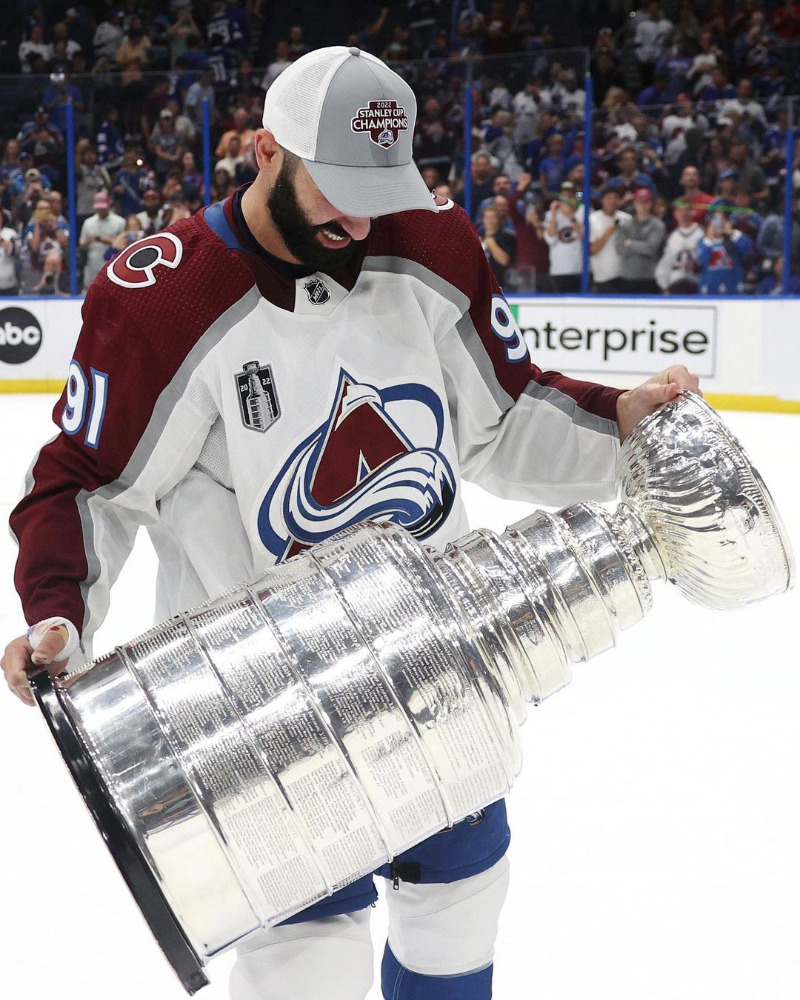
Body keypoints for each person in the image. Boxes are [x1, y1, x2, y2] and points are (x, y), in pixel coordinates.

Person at [2, 46, 698, 1000]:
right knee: (308, 974)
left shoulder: (433, 243)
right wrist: (58, 611)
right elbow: (86, 482)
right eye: (335, 188)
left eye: (380, 188)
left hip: (437, 668)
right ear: (262, 150)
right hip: (256, 711)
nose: (361, 217)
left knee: (457, 929)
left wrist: (620, 423)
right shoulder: (167, 295)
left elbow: (505, 416)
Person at [615, 187, 666, 294]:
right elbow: (620, 248)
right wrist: (642, 246)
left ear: (651, 203)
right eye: (640, 201)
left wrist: (631, 243)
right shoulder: (626, 224)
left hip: (648, 278)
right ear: (634, 203)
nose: (643, 205)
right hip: (627, 277)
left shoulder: (658, 225)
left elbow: (651, 249)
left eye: (646, 202)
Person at [78, 190, 125, 290]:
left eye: (103, 208)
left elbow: (124, 245)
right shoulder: (88, 222)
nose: (101, 211)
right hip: (93, 263)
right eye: (98, 209)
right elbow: (81, 245)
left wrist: (107, 240)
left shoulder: (119, 222)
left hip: (113, 263)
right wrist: (87, 242)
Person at [655, 198, 704, 293]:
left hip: (697, 285)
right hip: (675, 285)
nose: (684, 214)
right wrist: (665, 287)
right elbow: (664, 264)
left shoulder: (702, 233)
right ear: (675, 214)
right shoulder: (671, 237)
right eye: (680, 211)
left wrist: (696, 265)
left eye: (686, 210)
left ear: (692, 212)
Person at [588, 186, 629, 293]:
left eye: (615, 198)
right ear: (602, 200)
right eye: (609, 198)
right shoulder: (592, 219)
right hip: (603, 276)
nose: (612, 201)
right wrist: (607, 233)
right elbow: (592, 250)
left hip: (625, 275)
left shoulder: (627, 219)